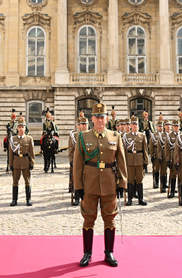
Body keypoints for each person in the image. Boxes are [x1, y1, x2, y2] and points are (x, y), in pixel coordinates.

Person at [73, 103, 127, 268]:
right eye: (97, 117)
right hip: (89, 184)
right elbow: (77, 164)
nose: (100, 120)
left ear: (107, 118)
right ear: (92, 119)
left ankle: (109, 252)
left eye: (102, 117)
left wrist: (122, 183)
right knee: (88, 218)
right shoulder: (83, 137)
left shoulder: (115, 136)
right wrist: (78, 186)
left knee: (109, 218)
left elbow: (122, 161)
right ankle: (87, 253)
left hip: (109, 183)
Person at [8, 115, 35, 206]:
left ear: (25, 128)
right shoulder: (13, 139)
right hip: (16, 163)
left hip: (26, 162)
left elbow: (32, 152)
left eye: (22, 127)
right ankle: (14, 199)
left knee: (27, 181)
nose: (21, 129)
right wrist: (10, 164)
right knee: (15, 181)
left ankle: (28, 199)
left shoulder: (29, 139)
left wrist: (32, 162)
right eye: (19, 127)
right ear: (17, 128)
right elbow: (11, 153)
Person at [123, 115, 149, 206]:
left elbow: (145, 149)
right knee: (130, 180)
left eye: (136, 124)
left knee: (139, 180)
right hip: (130, 160)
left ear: (138, 125)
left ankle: (140, 199)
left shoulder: (142, 136)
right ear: (130, 125)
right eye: (133, 124)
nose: (135, 126)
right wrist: (124, 162)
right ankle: (130, 199)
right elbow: (124, 150)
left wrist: (146, 162)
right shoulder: (126, 136)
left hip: (139, 161)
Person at [157, 120, 170, 193]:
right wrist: (159, 156)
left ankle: (170, 185)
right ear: (164, 126)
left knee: (173, 171)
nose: (168, 126)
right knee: (163, 171)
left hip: (171, 155)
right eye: (166, 125)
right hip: (164, 155)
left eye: (169, 125)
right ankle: (163, 186)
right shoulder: (161, 136)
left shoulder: (172, 135)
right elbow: (159, 147)